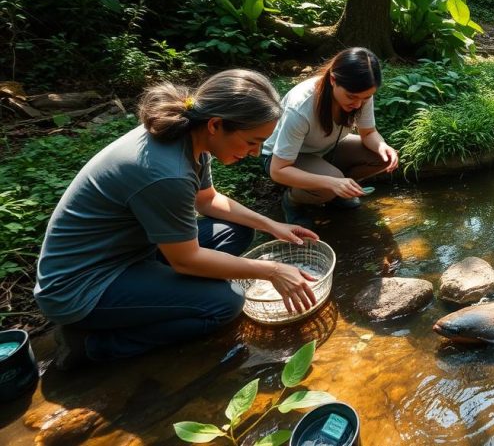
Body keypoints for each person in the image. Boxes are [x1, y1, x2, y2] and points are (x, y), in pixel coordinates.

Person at [34, 70, 319, 369]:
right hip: (83, 285)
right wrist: (272, 271)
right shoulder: (166, 172)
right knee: (226, 303)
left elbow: (207, 200)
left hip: (129, 252)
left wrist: (271, 225)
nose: (254, 152)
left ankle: (161, 295)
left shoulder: (190, 135)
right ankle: (93, 344)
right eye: (252, 141)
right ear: (216, 125)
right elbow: (186, 260)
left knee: (236, 230)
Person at [263, 47, 399, 227]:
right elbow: (278, 170)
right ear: (333, 79)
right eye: (352, 97)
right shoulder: (301, 106)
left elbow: (369, 133)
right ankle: (293, 201)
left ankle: (338, 191)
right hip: (284, 159)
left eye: (365, 98)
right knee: (329, 184)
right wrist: (331, 182)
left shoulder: (361, 94)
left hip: (325, 148)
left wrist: (382, 146)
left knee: (379, 157)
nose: (358, 104)